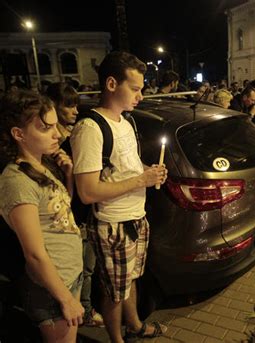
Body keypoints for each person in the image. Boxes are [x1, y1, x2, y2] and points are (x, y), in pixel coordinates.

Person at [70, 51, 168, 342]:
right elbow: (88, 192)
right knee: (114, 291)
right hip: (112, 224)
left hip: (136, 218)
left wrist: (148, 172)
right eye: (135, 88)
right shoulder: (90, 129)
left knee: (131, 279)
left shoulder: (127, 122)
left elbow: (125, 169)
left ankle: (135, 325)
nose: (141, 95)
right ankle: (117, 339)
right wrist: (141, 179)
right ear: (112, 84)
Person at [0, 90, 84, 342]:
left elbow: (59, 212)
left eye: (54, 125)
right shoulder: (17, 181)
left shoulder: (41, 164)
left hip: (68, 276)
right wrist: (66, 299)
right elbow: (34, 254)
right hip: (52, 290)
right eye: (46, 128)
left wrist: (68, 176)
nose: (57, 134)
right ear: (19, 134)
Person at [46, 82, 105, 327]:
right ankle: (82, 311)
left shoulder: (74, 135)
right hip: (69, 216)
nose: (74, 110)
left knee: (87, 267)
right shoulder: (52, 146)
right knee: (78, 269)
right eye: (68, 105)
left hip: (85, 211)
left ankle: (84, 308)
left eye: (76, 105)